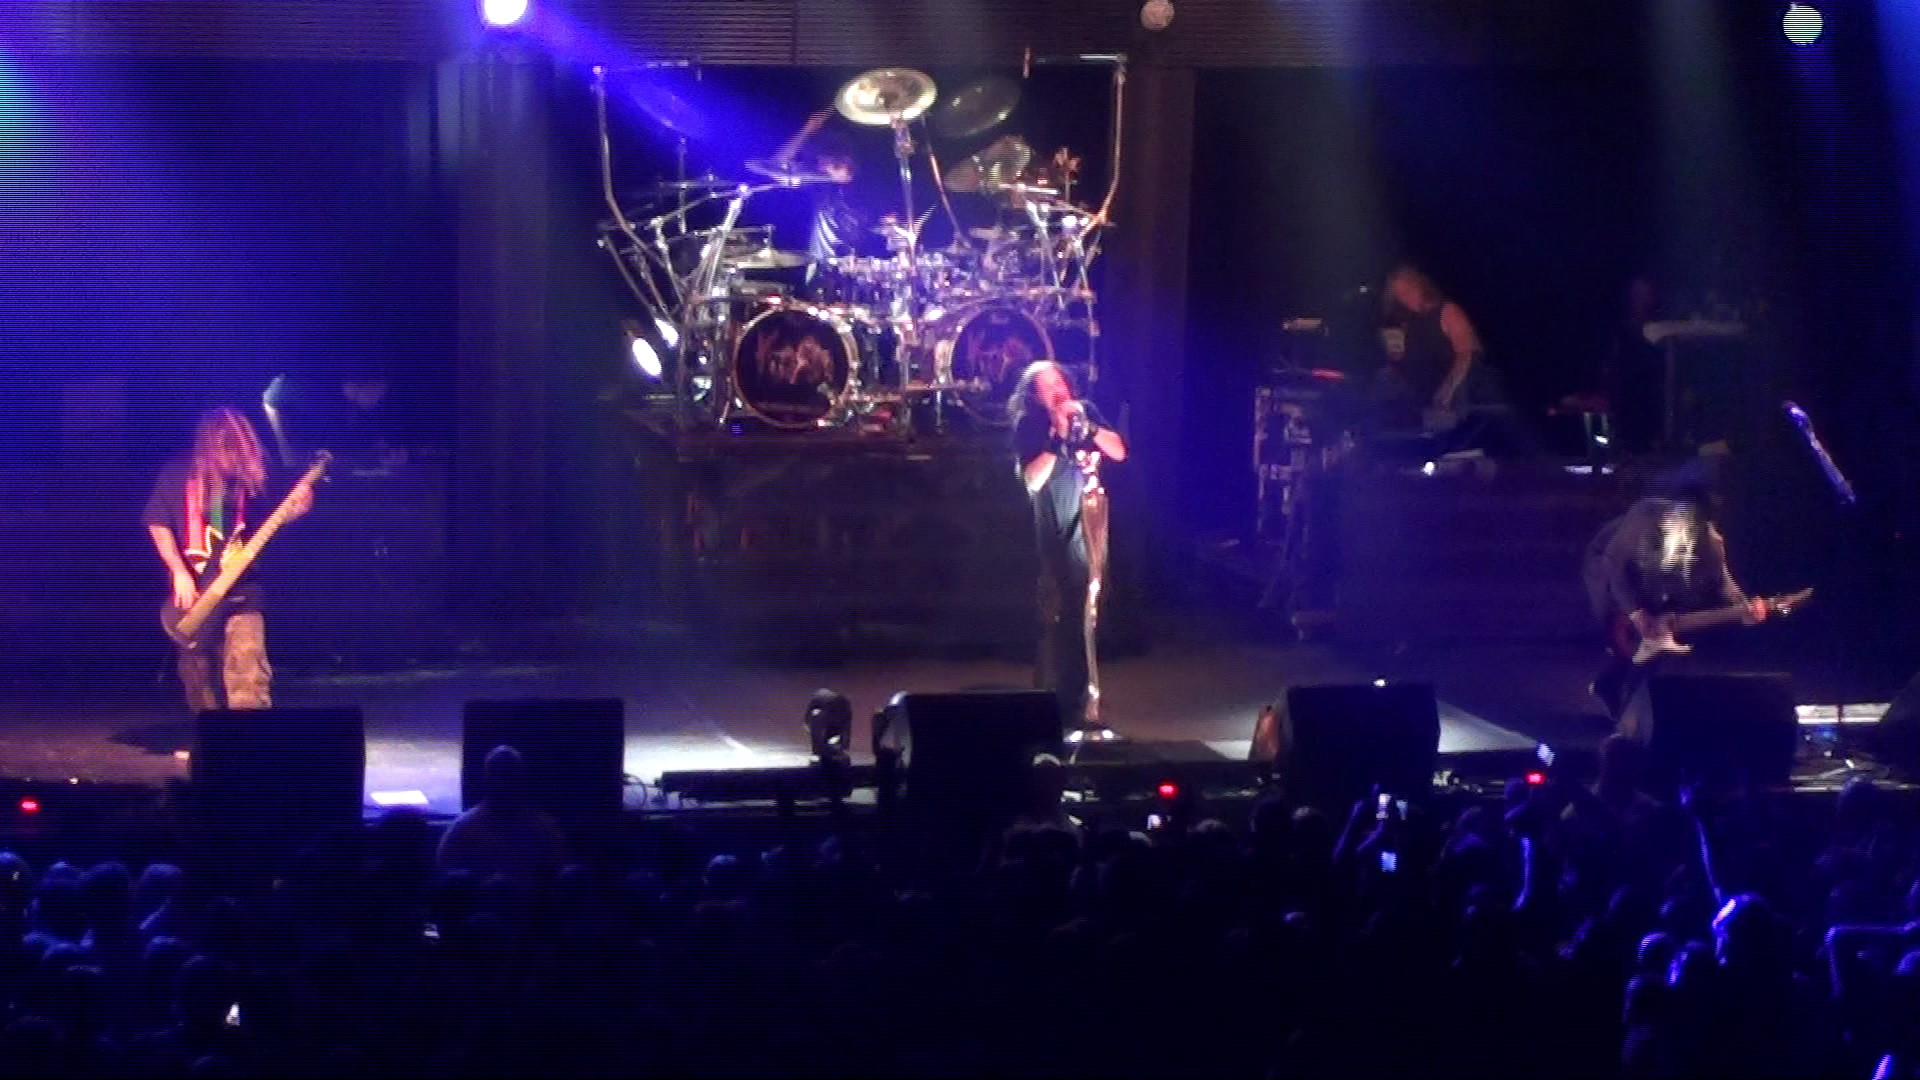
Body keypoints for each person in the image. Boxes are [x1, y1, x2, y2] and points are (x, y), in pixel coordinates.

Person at [144, 407, 314, 714]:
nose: (237, 458)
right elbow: (158, 523)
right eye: (229, 449)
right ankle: (213, 734)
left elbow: (271, 522)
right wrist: (179, 572)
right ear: (212, 445)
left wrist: (296, 511)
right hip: (194, 591)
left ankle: (247, 734)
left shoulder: (252, 478)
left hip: (243, 588)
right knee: (198, 676)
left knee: (248, 666)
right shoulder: (177, 473)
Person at [1581, 462, 1765, 725]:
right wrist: (1634, 611)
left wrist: (1744, 607)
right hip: (1606, 564)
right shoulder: (1645, 514)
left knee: (1656, 637)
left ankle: (1615, 689)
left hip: (1655, 578)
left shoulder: (1710, 538)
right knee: (1627, 635)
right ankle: (1616, 688)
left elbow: (1723, 581)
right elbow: (1615, 567)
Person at [1008, 360, 1127, 732]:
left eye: (1059, 381)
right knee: (1056, 611)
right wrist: (1056, 439)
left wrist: (1087, 427)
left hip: (1088, 522)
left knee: (1088, 607)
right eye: (1047, 386)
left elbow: (1119, 451)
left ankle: (1084, 702)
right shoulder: (1029, 425)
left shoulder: (1085, 410)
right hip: (1053, 527)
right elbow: (1032, 480)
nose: (1056, 389)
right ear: (1034, 395)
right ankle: (1051, 702)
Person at [1377, 265, 1512, 453]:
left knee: (1461, 450)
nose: (1405, 298)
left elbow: (1467, 353)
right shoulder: (1411, 323)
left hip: (1459, 399)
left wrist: (1448, 389)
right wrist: (1395, 362)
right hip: (1428, 400)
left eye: (1408, 291)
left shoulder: (1448, 310)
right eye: (1399, 295)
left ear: (1421, 286)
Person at [436, 745, 568, 884]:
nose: (504, 783)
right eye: (499, 775)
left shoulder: (543, 827)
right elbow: (448, 876)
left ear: (521, 779)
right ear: (487, 780)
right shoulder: (465, 828)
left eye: (510, 776)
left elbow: (560, 869)